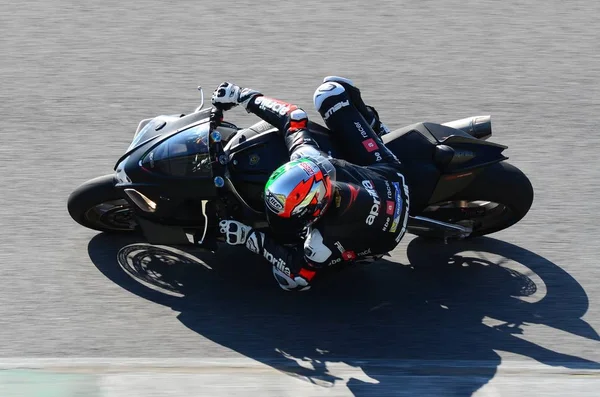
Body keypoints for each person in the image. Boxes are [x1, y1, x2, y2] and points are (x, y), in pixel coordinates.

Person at [212, 76, 410, 291]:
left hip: (388, 223)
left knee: (289, 282)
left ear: (314, 211)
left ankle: (375, 128)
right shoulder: (310, 158)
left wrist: (248, 236)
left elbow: (300, 274)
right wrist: (241, 95)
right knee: (329, 92)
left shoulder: (319, 242)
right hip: (383, 174)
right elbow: (293, 117)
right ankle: (372, 128)